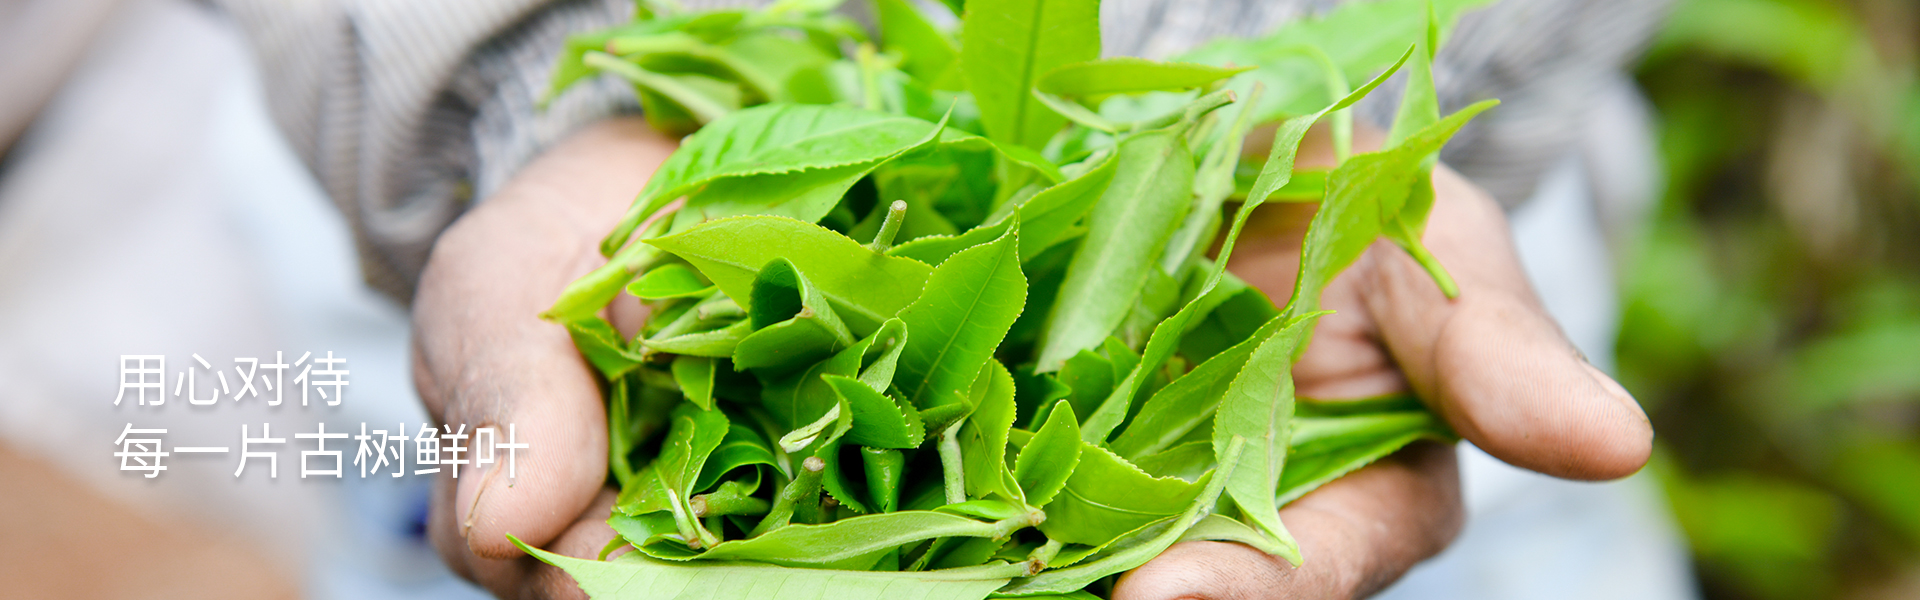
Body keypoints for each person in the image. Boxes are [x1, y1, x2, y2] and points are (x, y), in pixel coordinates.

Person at [201, 0, 1674, 597]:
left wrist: (1290, 91)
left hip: (1372, 291)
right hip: (478, 226)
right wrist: (531, 72)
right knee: (499, 491)